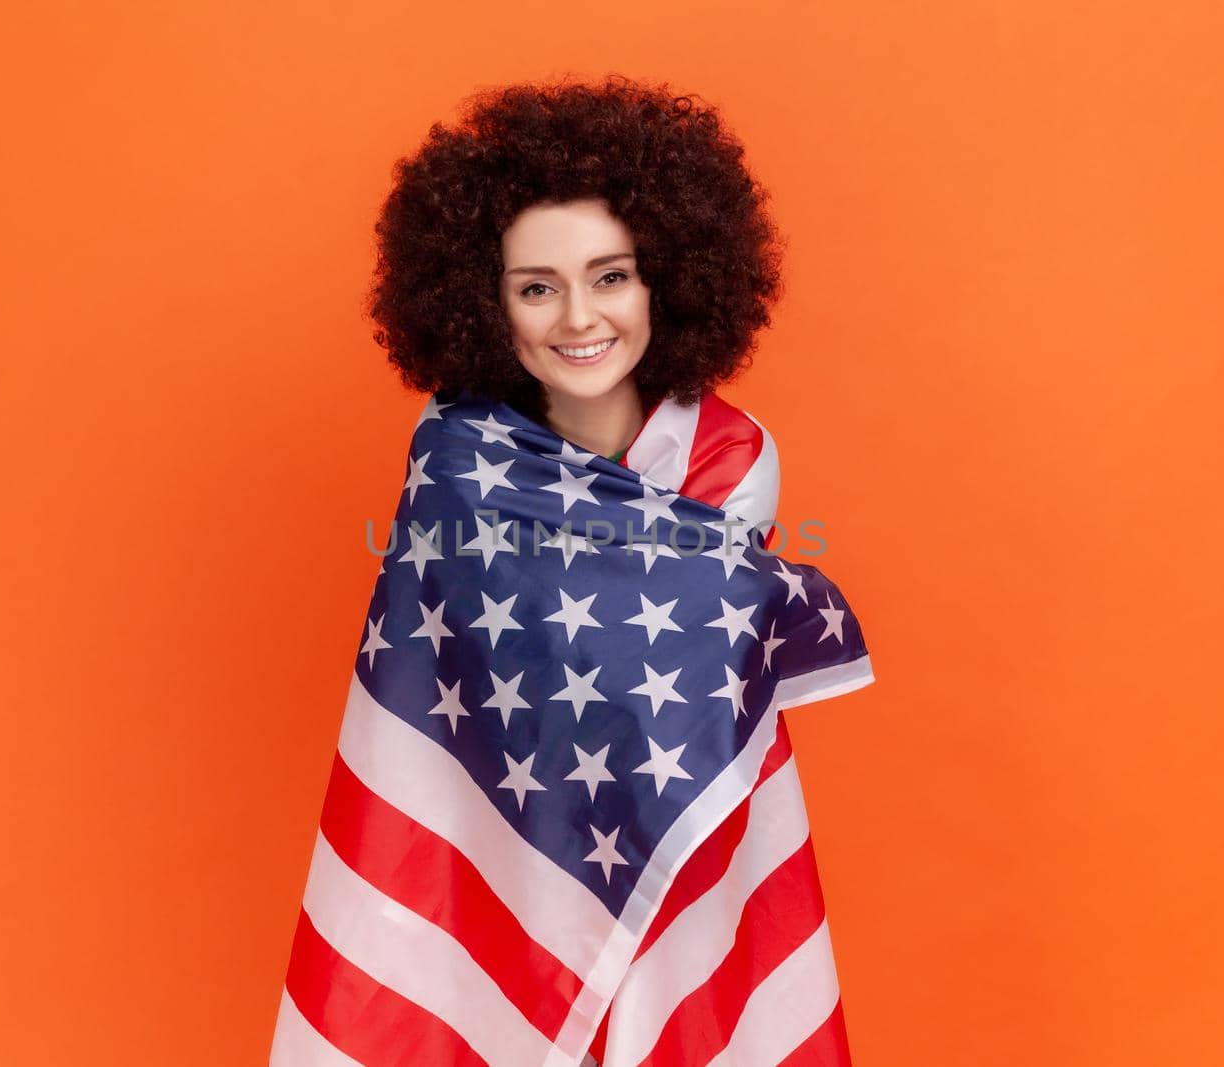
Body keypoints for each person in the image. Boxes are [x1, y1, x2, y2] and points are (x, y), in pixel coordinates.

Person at [271, 75, 875, 1066]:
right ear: (483, 299)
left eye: (610, 276)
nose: (576, 317)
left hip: (679, 817)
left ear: (665, 279)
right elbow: (484, 668)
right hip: (504, 821)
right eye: (535, 285)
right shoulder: (456, 456)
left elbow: (688, 671)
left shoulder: (730, 458)